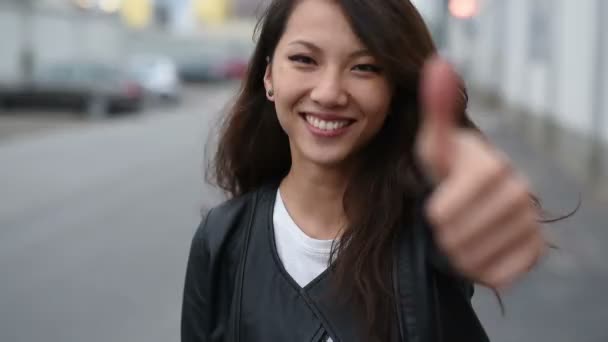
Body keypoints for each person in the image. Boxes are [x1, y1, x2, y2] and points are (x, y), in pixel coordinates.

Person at [181, 0, 546, 341]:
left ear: (393, 91)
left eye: (365, 67)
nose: (329, 93)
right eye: (305, 59)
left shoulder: (430, 229)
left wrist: (490, 221)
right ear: (269, 76)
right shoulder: (221, 239)